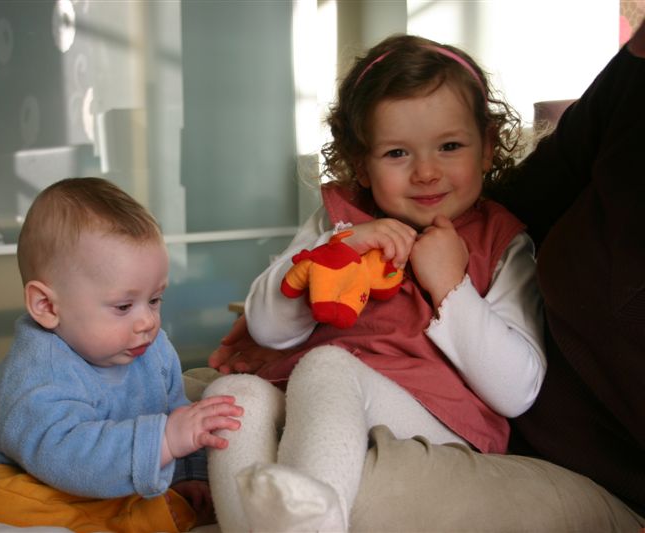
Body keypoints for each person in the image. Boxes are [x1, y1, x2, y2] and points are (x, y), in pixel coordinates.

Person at [210, 21, 645, 531]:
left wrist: (452, 287)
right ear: (362, 163)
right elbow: (268, 328)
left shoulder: (501, 243)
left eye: (450, 147)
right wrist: (334, 251)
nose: (426, 172)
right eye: (397, 153)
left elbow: (517, 390)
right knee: (232, 400)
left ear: (487, 147)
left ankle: (318, 519)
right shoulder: (341, 220)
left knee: (327, 365)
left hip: (435, 415)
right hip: (320, 397)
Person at [0, 177, 243, 533]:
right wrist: (163, 441)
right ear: (47, 306)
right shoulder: (38, 371)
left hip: (81, 475)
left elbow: (175, 412)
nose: (147, 320)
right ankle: (130, 519)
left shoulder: (153, 350)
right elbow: (65, 457)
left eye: (155, 299)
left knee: (114, 483)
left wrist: (186, 478)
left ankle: (134, 510)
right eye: (123, 306)